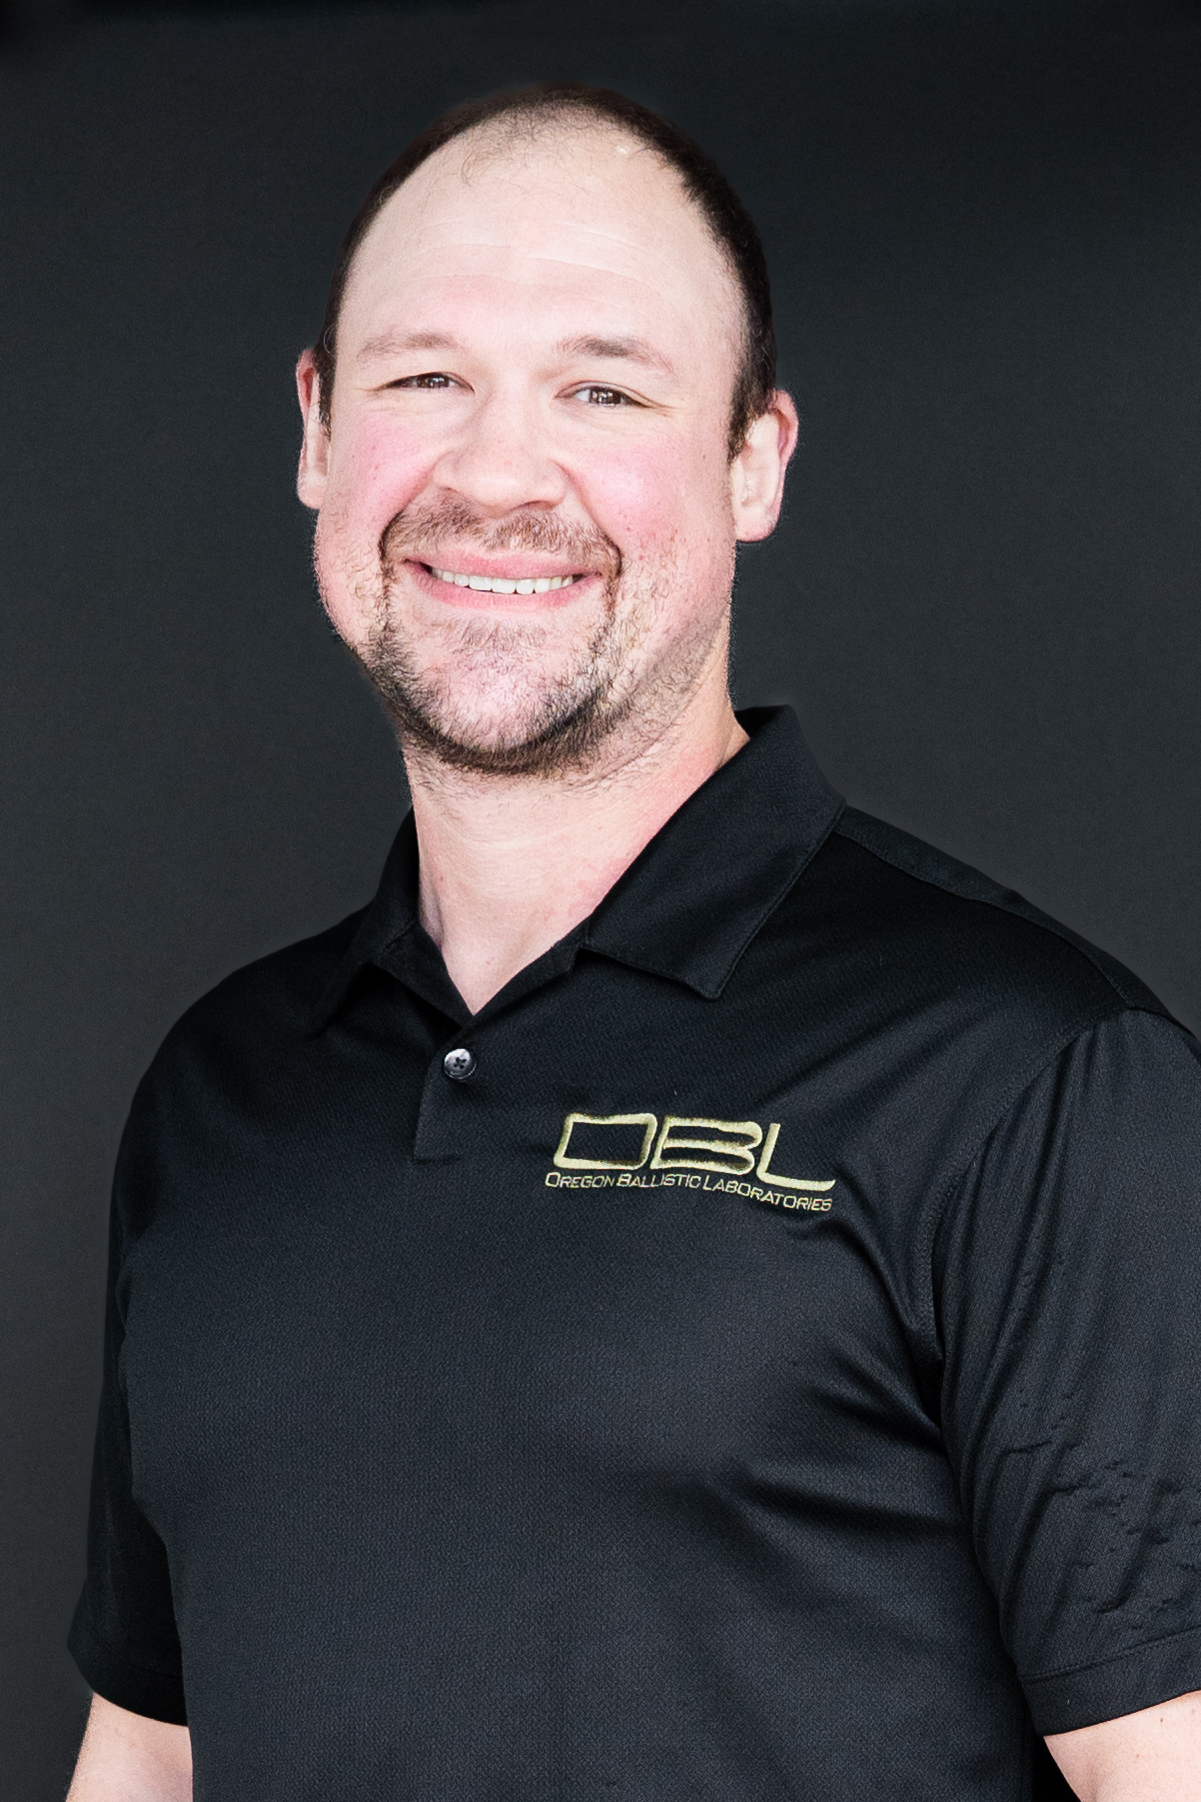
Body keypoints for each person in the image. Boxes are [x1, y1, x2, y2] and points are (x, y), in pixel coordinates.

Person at [65, 82, 1201, 1802]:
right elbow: (150, 1761)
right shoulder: (219, 1092)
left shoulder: (1033, 1076)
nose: (495, 471)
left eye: (601, 388)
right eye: (425, 377)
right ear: (315, 430)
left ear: (751, 461)